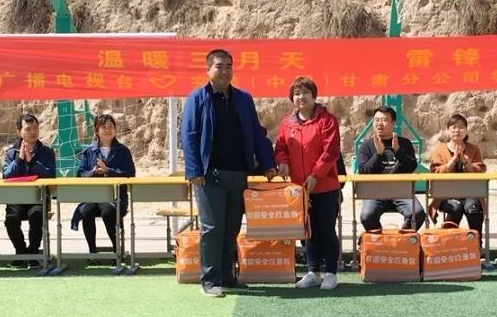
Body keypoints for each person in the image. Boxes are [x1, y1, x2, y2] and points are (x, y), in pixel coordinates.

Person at [181, 49, 277, 298]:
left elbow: (256, 133)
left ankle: (227, 276)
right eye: (219, 66)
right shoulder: (197, 98)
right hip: (208, 176)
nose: (225, 71)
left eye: (229, 66)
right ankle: (210, 280)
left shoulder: (243, 99)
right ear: (208, 70)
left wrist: (267, 163)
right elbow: (189, 136)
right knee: (212, 228)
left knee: (231, 227)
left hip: (238, 174)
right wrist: (194, 170)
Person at [274, 77, 342, 291]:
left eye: (305, 92)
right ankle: (313, 272)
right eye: (296, 93)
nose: (301, 97)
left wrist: (315, 175)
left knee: (326, 229)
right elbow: (281, 148)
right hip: (299, 188)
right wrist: (283, 163)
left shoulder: (327, 120)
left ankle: (331, 272)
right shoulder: (287, 123)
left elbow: (331, 151)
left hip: (325, 186)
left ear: (314, 96)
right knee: (307, 230)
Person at [71, 114, 136, 259]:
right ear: (96, 131)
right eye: (104, 127)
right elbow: (80, 174)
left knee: (108, 212)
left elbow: (130, 174)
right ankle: (92, 252)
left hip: (116, 197)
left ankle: (117, 252)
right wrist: (93, 172)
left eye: (110, 126)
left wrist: (108, 171)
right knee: (87, 211)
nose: (107, 130)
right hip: (92, 196)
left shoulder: (123, 151)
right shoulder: (89, 152)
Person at [357, 106, 425, 231]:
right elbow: (363, 170)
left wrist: (398, 151)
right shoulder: (366, 146)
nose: (379, 124)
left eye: (384, 120)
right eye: (376, 120)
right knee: (367, 216)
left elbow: (412, 166)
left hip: (400, 191)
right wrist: (378, 155)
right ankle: (380, 239)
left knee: (418, 213)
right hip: (375, 192)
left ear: (393, 122)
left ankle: (403, 238)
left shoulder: (404, 143)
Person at [2, 113, 56, 267]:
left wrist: (32, 162)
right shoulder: (11, 153)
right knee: (11, 220)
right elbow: (6, 175)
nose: (33, 132)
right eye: (28, 129)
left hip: (38, 197)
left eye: (35, 128)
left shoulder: (47, 152)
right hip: (16, 198)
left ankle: (33, 252)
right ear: (19, 131)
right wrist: (19, 159)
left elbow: (50, 174)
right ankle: (21, 252)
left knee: (37, 216)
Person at [428, 114, 487, 237]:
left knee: (473, 209)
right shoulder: (439, 150)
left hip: (471, 193)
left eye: (461, 127)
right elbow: (435, 172)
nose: (457, 130)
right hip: (446, 195)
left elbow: (480, 171)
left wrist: (466, 162)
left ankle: (477, 243)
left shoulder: (474, 149)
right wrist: (453, 161)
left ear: (466, 131)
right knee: (456, 207)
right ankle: (449, 242)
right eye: (454, 127)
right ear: (448, 130)